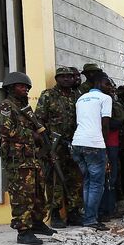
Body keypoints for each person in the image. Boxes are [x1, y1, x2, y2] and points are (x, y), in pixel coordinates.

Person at [0, 72, 55, 245]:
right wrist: (32, 136)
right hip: (18, 160)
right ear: (10, 88)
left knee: (37, 193)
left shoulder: (25, 108)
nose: (25, 89)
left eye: (27, 87)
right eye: (21, 86)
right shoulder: (6, 107)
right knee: (22, 196)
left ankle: (37, 223)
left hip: (32, 158)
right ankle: (23, 232)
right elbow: (7, 131)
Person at [34, 67, 84, 228]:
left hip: (74, 143)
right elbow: (39, 120)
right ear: (57, 78)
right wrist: (46, 143)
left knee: (75, 178)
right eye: (62, 77)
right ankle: (55, 213)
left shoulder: (78, 96)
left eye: (69, 77)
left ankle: (74, 212)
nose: (66, 79)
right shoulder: (48, 95)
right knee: (55, 179)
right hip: (54, 144)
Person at [72, 73, 113, 230]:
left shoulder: (80, 99)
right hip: (94, 144)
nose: (109, 87)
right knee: (97, 183)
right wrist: (105, 147)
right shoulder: (105, 99)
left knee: (88, 181)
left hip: (77, 143)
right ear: (99, 83)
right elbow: (105, 124)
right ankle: (90, 219)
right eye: (107, 84)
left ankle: (88, 216)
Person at [99, 80, 124, 220]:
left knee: (111, 178)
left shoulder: (114, 104)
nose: (111, 89)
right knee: (104, 178)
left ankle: (109, 208)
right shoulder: (97, 101)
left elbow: (119, 121)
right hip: (102, 144)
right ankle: (104, 210)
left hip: (111, 143)